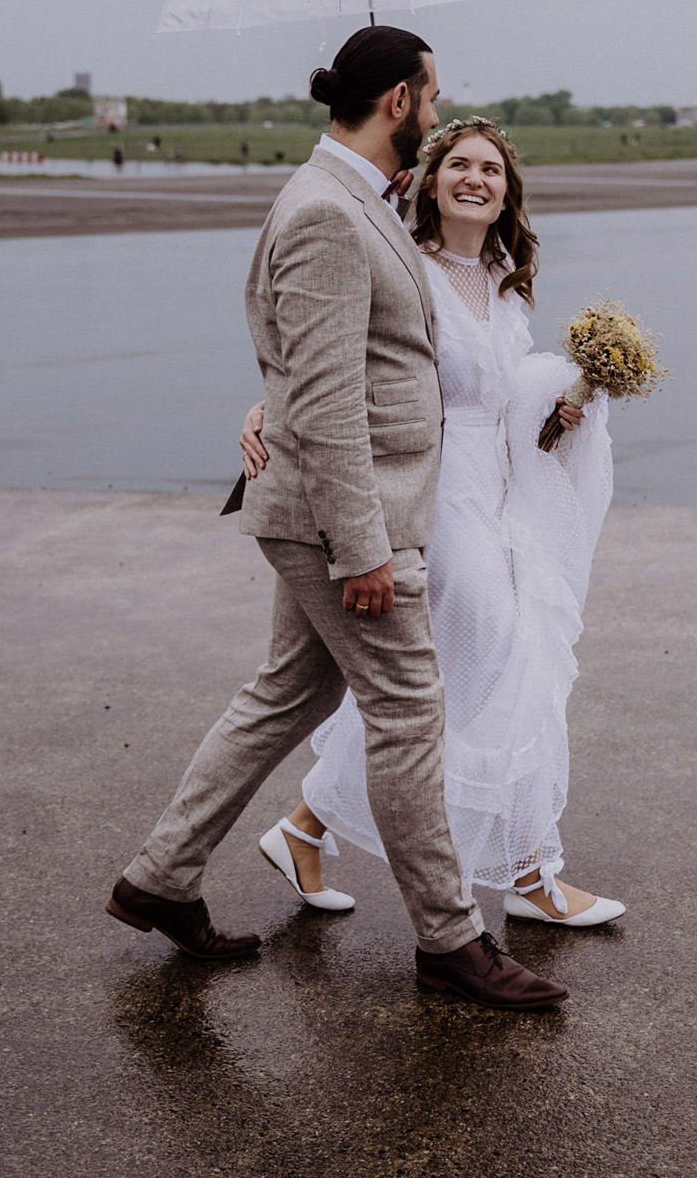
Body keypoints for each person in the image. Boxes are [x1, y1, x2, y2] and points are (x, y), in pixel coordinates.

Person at [107, 28, 565, 1012]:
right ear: (399, 99)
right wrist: (364, 550)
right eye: (434, 96)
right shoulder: (325, 212)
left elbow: (330, 367)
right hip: (339, 522)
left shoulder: (357, 202)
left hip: (327, 507)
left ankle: (158, 876)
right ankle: (451, 941)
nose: (441, 115)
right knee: (408, 711)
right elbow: (323, 397)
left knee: (283, 695)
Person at [241, 116, 623, 929]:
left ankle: (304, 828)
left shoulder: (504, 282)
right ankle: (530, 876)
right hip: (428, 491)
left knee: (429, 682)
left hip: (500, 492)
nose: (475, 178)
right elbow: (336, 355)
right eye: (459, 164)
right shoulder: (403, 266)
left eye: (490, 169)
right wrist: (266, 408)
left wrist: (560, 405)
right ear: (431, 179)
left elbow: (504, 393)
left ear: (506, 193)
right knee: (503, 658)